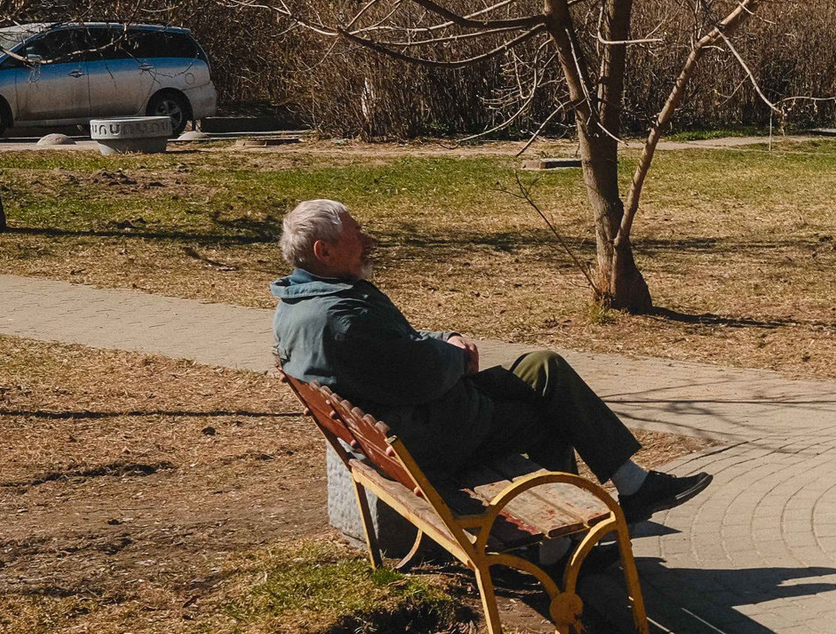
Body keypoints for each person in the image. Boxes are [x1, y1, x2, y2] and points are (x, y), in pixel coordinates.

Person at [271, 198, 708, 521]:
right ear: (323, 252)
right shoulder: (340, 318)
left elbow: (401, 346)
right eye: (355, 235)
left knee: (544, 365)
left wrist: (447, 339)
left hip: (407, 423)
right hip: (433, 434)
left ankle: (631, 485)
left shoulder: (306, 301)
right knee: (551, 414)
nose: (368, 241)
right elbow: (421, 374)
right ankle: (569, 541)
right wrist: (456, 358)